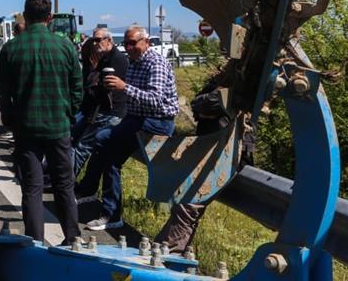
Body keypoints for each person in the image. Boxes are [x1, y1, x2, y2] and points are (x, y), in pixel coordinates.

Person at [0, 0, 83, 245]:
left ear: (25, 15)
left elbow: (2, 93)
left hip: (26, 129)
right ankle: (72, 238)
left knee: (32, 188)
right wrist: (68, 113)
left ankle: (34, 241)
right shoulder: (65, 46)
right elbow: (77, 89)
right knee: (64, 185)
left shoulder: (11, 48)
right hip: (58, 127)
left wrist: (11, 119)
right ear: (50, 17)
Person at [75, 25, 179, 231]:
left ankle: (99, 200)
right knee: (109, 153)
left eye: (133, 43)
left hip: (157, 121)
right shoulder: (134, 62)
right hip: (137, 118)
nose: (129, 47)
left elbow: (156, 101)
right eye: (127, 43)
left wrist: (124, 87)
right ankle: (108, 210)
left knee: (104, 138)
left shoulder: (154, 63)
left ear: (146, 42)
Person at [154, 81, 254, 253]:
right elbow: (198, 105)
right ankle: (169, 251)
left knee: (188, 205)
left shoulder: (245, 89)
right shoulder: (225, 83)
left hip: (224, 155)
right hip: (211, 151)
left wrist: (212, 102)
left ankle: (168, 252)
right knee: (186, 206)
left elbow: (210, 102)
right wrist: (209, 103)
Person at [71, 28, 129, 204]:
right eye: (93, 40)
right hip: (101, 110)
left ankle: (64, 183)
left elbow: (105, 89)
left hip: (110, 112)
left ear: (109, 41)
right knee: (91, 150)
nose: (95, 44)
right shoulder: (103, 59)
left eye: (98, 40)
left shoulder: (116, 60)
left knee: (83, 147)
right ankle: (83, 187)